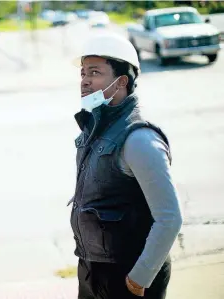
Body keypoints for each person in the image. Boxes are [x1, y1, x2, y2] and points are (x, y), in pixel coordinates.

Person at [68, 33, 183, 299]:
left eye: (95, 72)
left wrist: (140, 277)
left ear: (121, 82)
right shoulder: (97, 127)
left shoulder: (139, 139)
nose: (85, 80)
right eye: (83, 72)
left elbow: (169, 218)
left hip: (126, 275)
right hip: (91, 268)